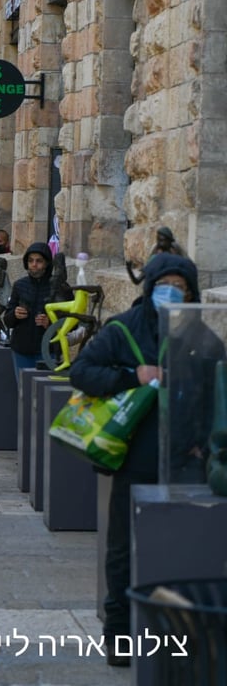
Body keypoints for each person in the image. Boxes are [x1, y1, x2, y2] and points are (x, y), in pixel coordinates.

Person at [68, 253, 224, 667]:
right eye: (165, 283)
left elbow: (215, 395)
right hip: (133, 457)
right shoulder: (123, 329)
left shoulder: (202, 336)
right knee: (122, 548)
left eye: (182, 286)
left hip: (186, 462)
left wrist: (204, 443)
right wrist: (131, 375)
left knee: (180, 546)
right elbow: (82, 372)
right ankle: (119, 634)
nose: (173, 292)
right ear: (150, 285)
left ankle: (176, 632)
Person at [3, 242, 53, 375]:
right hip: (22, 350)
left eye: (39, 261)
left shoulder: (58, 287)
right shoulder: (19, 285)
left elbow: (71, 323)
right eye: (31, 261)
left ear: (47, 263)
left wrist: (50, 323)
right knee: (24, 391)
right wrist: (15, 314)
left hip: (49, 351)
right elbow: (7, 320)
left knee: (44, 393)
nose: (34, 265)